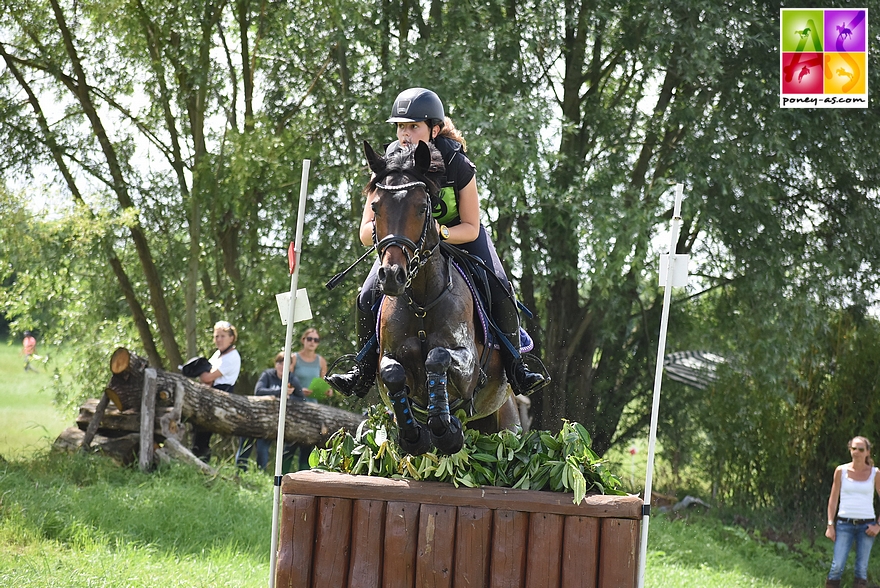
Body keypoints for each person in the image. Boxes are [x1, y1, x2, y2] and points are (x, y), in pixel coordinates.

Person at [326, 87, 547, 399]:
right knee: (366, 294)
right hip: (404, 245)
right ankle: (361, 370)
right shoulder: (388, 166)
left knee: (498, 284)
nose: (405, 134)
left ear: (434, 129)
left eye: (413, 126)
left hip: (459, 238)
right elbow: (366, 231)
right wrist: (391, 237)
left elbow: (471, 226)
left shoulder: (457, 163)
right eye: (401, 127)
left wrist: (437, 233)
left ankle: (515, 366)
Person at [824, 436, 880, 588]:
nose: (857, 452)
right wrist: (830, 524)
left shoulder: (875, 473)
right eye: (854, 448)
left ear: (868, 452)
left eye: (861, 449)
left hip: (867, 526)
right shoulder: (841, 471)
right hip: (844, 524)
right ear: (850, 450)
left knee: (861, 570)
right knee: (837, 566)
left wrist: (878, 526)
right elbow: (833, 499)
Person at [236, 352, 304, 472]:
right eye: (279, 363)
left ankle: (261, 475)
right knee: (245, 446)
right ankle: (239, 472)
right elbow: (258, 391)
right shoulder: (268, 375)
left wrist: (290, 398)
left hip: (271, 421)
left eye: (285, 363)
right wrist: (280, 393)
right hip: (255, 416)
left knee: (262, 449)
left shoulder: (292, 378)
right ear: (275, 364)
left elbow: (301, 399)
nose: (282, 366)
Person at [191, 320, 241, 461]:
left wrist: (203, 374)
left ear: (231, 338)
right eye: (216, 336)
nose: (219, 339)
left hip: (221, 393)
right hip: (209, 392)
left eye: (222, 336)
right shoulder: (218, 354)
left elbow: (207, 376)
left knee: (204, 433)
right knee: (198, 433)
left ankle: (202, 462)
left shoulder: (231, 357)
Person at [287, 327, 329, 470]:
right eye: (309, 339)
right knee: (290, 444)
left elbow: (324, 387)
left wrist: (326, 392)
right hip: (295, 404)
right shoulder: (294, 358)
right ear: (303, 340)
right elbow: (286, 380)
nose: (312, 342)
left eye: (316, 340)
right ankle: (282, 474)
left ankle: (302, 478)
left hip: (313, 407)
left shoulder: (321, 361)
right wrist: (298, 390)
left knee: (307, 446)